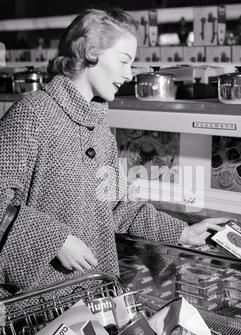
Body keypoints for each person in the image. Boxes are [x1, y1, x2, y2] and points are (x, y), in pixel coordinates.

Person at [0, 7, 228, 298]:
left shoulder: (100, 131)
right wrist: (54, 241)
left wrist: (184, 233)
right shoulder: (33, 113)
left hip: (84, 300)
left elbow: (119, 205)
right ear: (90, 51)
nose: (129, 75)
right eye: (123, 61)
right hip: (33, 308)